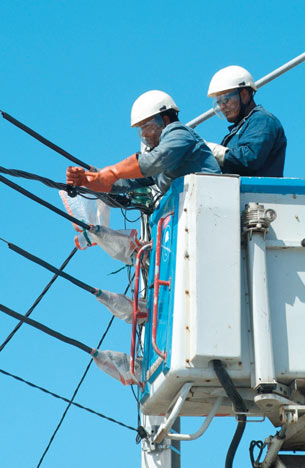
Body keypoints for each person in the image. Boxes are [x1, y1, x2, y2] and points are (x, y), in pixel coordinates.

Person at [66, 90, 220, 194]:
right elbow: (123, 182)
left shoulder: (180, 133)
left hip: (211, 202)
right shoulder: (158, 162)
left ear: (165, 120)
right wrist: (87, 179)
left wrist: (113, 171)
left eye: (147, 126)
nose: (145, 134)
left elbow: (155, 160)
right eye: (141, 130)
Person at [206, 66, 287, 177]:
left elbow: (249, 159)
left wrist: (214, 151)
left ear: (244, 95)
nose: (222, 107)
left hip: (257, 192)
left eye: (225, 100)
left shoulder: (262, 120)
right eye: (219, 102)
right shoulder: (240, 128)